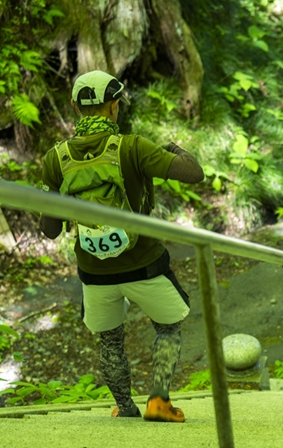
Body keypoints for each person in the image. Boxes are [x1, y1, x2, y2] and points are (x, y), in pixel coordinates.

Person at [39, 70, 203, 422]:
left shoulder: (56, 158)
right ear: (114, 106)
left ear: (75, 107)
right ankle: (159, 402)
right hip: (145, 264)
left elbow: (50, 230)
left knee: (110, 340)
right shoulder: (132, 147)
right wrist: (175, 149)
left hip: (95, 273)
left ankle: (125, 408)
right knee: (168, 328)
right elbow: (193, 173)